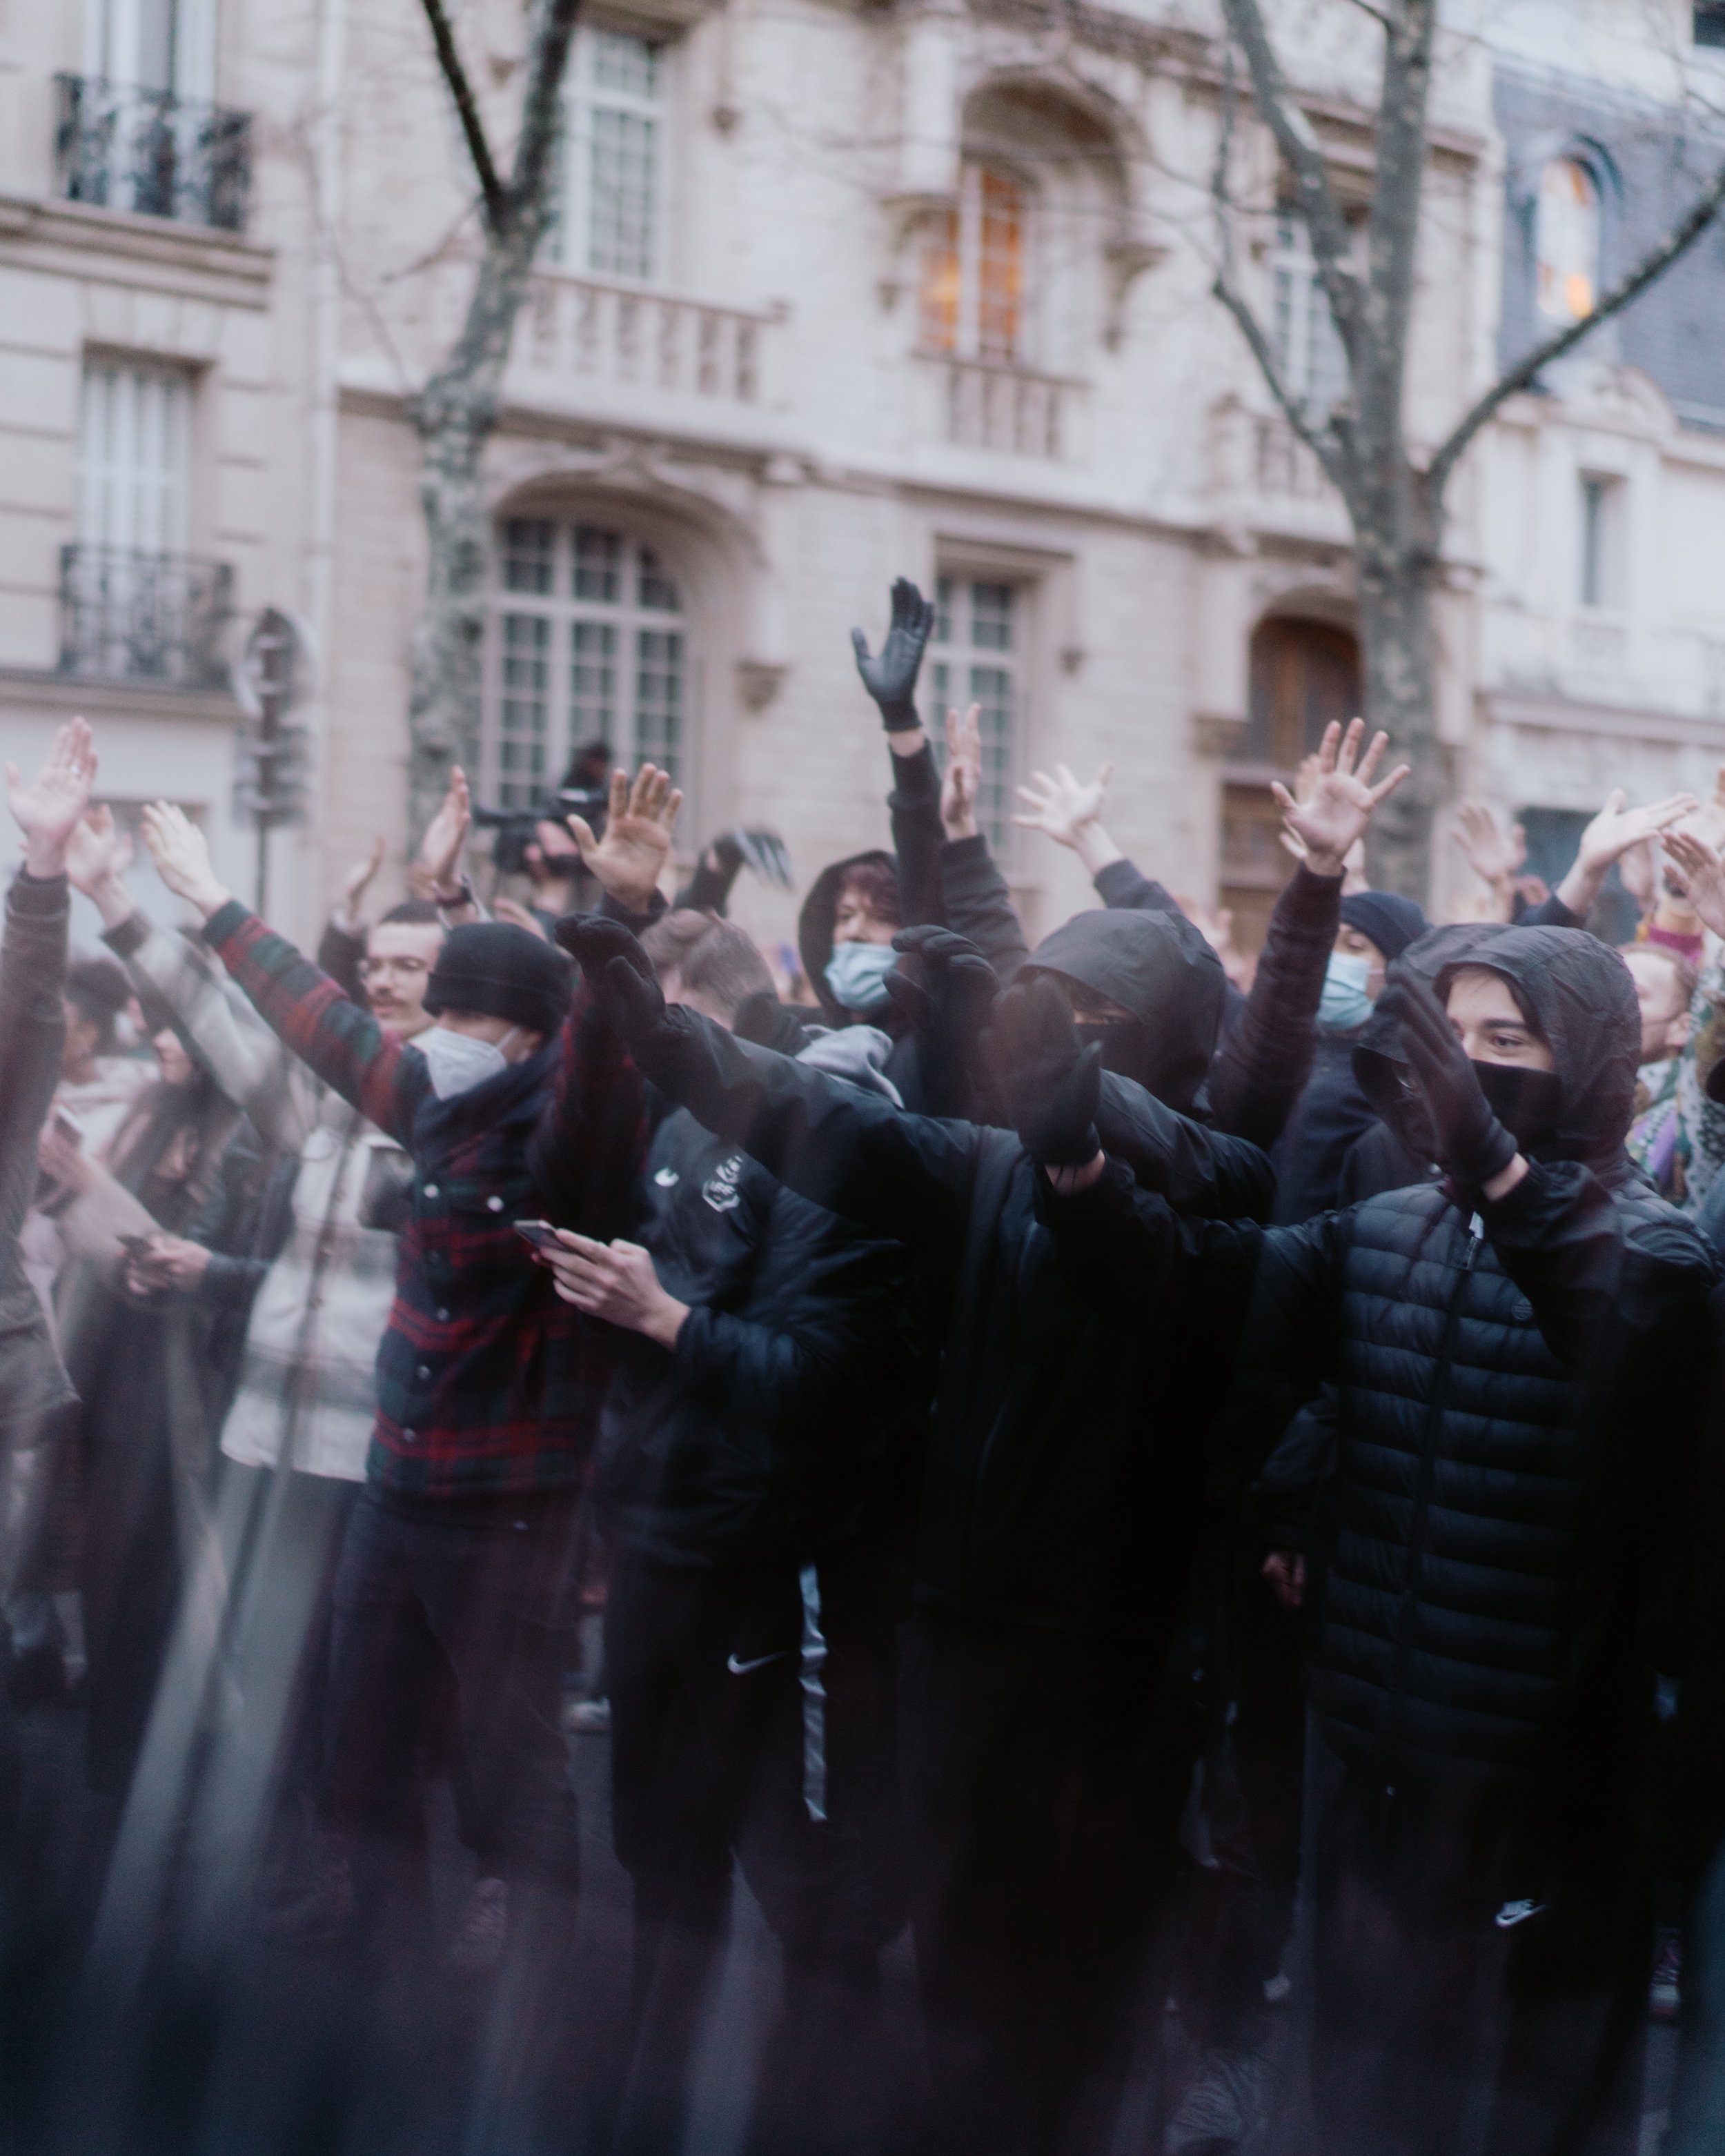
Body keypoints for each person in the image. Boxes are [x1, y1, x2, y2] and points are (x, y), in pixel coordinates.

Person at [556, 740, 1397, 2156]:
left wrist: (1305, 887)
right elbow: (808, 1109)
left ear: (1143, 1038)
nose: (1041, 1034)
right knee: (951, 1982)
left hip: (1110, 1667)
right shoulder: (980, 1162)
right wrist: (652, 1021)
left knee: (1075, 2000)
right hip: (951, 1639)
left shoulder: (1226, 1187)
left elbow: (1184, 1146)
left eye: (1079, 1014)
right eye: (1037, 1009)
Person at [1211, 925, 1717, 2156]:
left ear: (1588, 1059)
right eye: (1457, 1041)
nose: (1476, 1072)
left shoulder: (1660, 1251)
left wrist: (1492, 1159)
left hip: (1540, 1806)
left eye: (1509, 1042)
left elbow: (1596, 1302)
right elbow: (1215, 1292)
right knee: (1357, 2103)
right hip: (1374, 1776)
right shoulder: (1382, 1226)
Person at [138, 775, 656, 1979]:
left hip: (513, 1508)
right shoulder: (426, 1095)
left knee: (511, 1761)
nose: (440, 1038)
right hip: (396, 1485)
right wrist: (213, 898)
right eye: (440, 1014)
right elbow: (318, 1018)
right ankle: (371, 1957)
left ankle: (535, 1969)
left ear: (530, 1037)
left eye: (472, 1022)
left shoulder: (564, 1137)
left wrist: (619, 916)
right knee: (355, 1747)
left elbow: (603, 1054)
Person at [537, 909, 923, 2156]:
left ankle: (812, 2118)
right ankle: (648, 2102)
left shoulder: (844, 1148)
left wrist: (664, 1321)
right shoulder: (681, 1120)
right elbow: (666, 1294)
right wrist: (615, 1294)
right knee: (659, 1853)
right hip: (656, 1540)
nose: (652, 1049)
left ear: (717, 1010)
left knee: (813, 1896)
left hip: (770, 1571)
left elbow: (829, 1381)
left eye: (667, 1025)